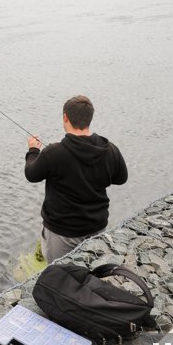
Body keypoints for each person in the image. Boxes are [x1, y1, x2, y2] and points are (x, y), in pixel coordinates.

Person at [25, 95, 128, 262]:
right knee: (90, 270)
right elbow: (121, 178)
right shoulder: (110, 149)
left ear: (65, 117)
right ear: (90, 118)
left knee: (60, 275)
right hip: (97, 227)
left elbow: (31, 174)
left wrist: (33, 151)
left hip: (62, 233)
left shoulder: (54, 152)